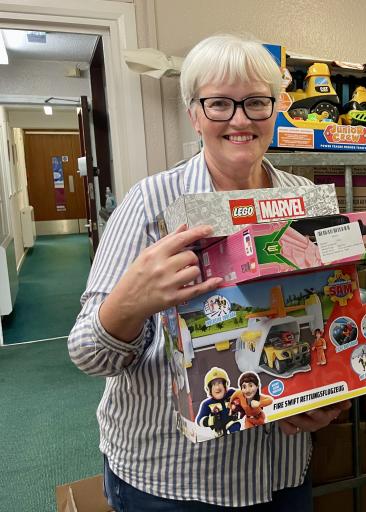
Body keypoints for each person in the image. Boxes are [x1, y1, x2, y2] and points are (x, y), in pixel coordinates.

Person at [68, 33, 348, 511]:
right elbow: (89, 355)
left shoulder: (306, 199)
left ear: (276, 109)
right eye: (219, 103)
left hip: (281, 472)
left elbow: (332, 318)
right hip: (173, 482)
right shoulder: (150, 204)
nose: (240, 119)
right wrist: (131, 303)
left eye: (256, 102)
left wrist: (331, 392)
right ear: (194, 114)